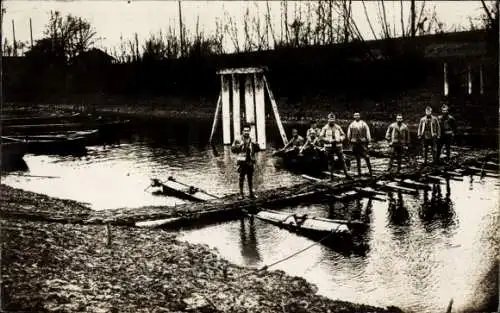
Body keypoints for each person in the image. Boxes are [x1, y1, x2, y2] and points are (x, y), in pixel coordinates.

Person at [320, 113, 351, 180]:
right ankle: (331, 177)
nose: (331, 121)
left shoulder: (338, 127)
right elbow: (321, 137)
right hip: (329, 147)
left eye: (333, 119)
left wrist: (340, 139)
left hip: (338, 146)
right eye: (330, 119)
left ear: (335, 120)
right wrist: (327, 140)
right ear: (328, 120)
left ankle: (347, 175)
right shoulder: (324, 128)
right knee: (330, 162)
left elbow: (343, 135)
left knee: (342, 160)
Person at [231, 124, 258, 200]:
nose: (246, 132)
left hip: (250, 160)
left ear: (249, 131)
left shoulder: (252, 139)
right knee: (241, 178)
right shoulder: (238, 139)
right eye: (245, 131)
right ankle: (241, 194)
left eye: (248, 131)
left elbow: (257, 150)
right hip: (242, 161)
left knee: (250, 177)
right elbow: (233, 149)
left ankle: (251, 193)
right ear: (242, 131)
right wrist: (240, 145)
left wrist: (256, 145)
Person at [347, 112, 373, 176]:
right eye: (355, 115)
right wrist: (350, 140)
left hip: (362, 143)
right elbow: (348, 134)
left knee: (366, 157)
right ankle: (359, 172)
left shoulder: (363, 124)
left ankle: (370, 172)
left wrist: (369, 141)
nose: (357, 116)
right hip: (355, 143)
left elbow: (368, 133)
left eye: (358, 115)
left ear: (360, 116)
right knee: (357, 158)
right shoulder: (352, 124)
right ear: (354, 116)